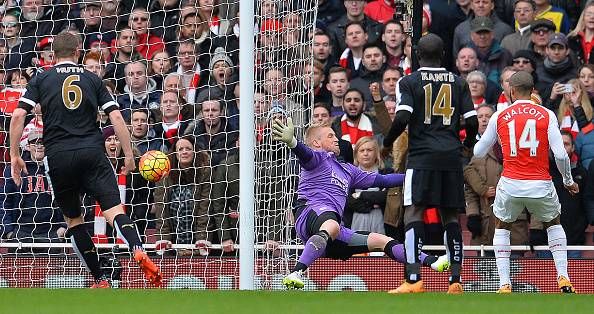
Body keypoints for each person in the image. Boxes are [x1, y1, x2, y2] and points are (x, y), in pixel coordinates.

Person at [8, 32, 162, 288]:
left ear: (53, 55)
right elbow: (115, 118)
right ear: (78, 51)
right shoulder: (92, 79)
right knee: (114, 211)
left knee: (74, 221)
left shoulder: (41, 78)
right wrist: (129, 154)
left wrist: (14, 155)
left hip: (58, 156)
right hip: (92, 152)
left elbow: (17, 116)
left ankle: (101, 278)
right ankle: (137, 248)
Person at [273, 119, 449, 290]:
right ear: (316, 143)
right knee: (332, 224)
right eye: (330, 136)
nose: (336, 139)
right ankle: (296, 272)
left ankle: (432, 261)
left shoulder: (349, 171)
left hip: (331, 232)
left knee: (382, 240)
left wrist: (417, 178)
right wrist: (292, 142)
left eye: (335, 135)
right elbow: (304, 153)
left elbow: (384, 179)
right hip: (309, 214)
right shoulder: (318, 159)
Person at [382, 34, 479, 294]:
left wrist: (387, 142)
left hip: (422, 155)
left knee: (414, 212)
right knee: (450, 216)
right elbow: (471, 121)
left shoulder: (409, 81)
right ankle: (455, 280)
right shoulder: (458, 82)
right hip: (450, 156)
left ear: (417, 55)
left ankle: (413, 279)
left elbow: (403, 116)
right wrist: (466, 143)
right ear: (444, 53)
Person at [473, 70, 577, 293]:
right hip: (540, 183)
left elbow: (479, 151)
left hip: (510, 182)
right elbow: (560, 155)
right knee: (554, 223)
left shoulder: (499, 116)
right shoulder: (547, 114)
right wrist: (568, 180)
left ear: (510, 91)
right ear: (533, 91)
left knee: (502, 226)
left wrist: (497, 139)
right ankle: (564, 278)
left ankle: (504, 283)